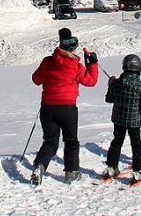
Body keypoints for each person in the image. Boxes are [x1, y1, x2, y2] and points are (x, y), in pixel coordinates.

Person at [30, 28, 99, 185]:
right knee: (71, 141)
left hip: (47, 108)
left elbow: (36, 79)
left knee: (50, 141)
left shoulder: (47, 61)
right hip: (67, 108)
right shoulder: (75, 66)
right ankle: (71, 173)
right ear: (73, 49)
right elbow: (91, 82)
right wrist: (93, 65)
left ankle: (39, 166)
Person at [103, 54, 141, 184]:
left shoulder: (117, 83)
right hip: (134, 121)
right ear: (138, 68)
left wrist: (111, 85)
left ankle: (112, 168)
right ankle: (139, 171)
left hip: (118, 119)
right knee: (137, 144)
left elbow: (109, 99)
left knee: (116, 142)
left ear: (124, 67)